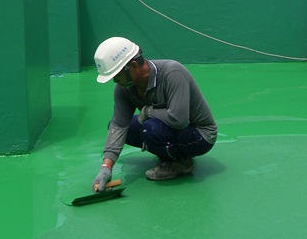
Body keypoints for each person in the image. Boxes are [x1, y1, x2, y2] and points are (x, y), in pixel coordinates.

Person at [91, 37, 217, 191]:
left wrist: (148, 111)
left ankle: (179, 163)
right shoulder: (123, 88)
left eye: (116, 74)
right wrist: (106, 167)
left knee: (150, 128)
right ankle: (168, 153)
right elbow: (119, 125)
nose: (115, 80)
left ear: (133, 66)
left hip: (199, 135)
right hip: (166, 128)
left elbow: (179, 120)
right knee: (122, 127)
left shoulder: (172, 73)